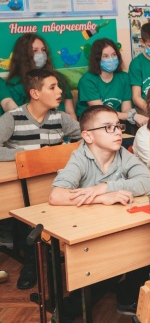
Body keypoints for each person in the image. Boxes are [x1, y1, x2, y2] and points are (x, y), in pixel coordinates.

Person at [48, 105, 150, 319]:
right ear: (88, 136)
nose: (117, 132)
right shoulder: (80, 158)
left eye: (118, 126)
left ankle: (127, 296)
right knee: (105, 268)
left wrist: (107, 187)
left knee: (145, 246)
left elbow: (148, 181)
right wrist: (102, 198)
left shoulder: (122, 154)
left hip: (117, 228)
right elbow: (56, 195)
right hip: (87, 233)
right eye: (108, 127)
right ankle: (66, 311)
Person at [0, 69, 81, 290]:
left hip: (55, 186)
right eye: (53, 87)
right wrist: (32, 154)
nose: (60, 91)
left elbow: (83, 137)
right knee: (24, 224)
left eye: (58, 86)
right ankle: (31, 264)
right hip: (24, 188)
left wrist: (63, 152)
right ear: (35, 94)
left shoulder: (60, 117)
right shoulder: (12, 118)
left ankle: (66, 263)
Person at [76, 38, 148, 128]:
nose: (111, 59)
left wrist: (131, 117)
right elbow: (101, 112)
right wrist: (133, 116)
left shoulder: (124, 77)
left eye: (114, 55)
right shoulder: (87, 81)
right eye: (105, 56)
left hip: (118, 121)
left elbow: (126, 109)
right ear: (97, 59)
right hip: (93, 123)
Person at [5, 33, 76, 119]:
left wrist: (73, 127)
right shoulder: (14, 85)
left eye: (43, 50)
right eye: (35, 50)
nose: (41, 54)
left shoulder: (59, 78)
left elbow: (70, 112)